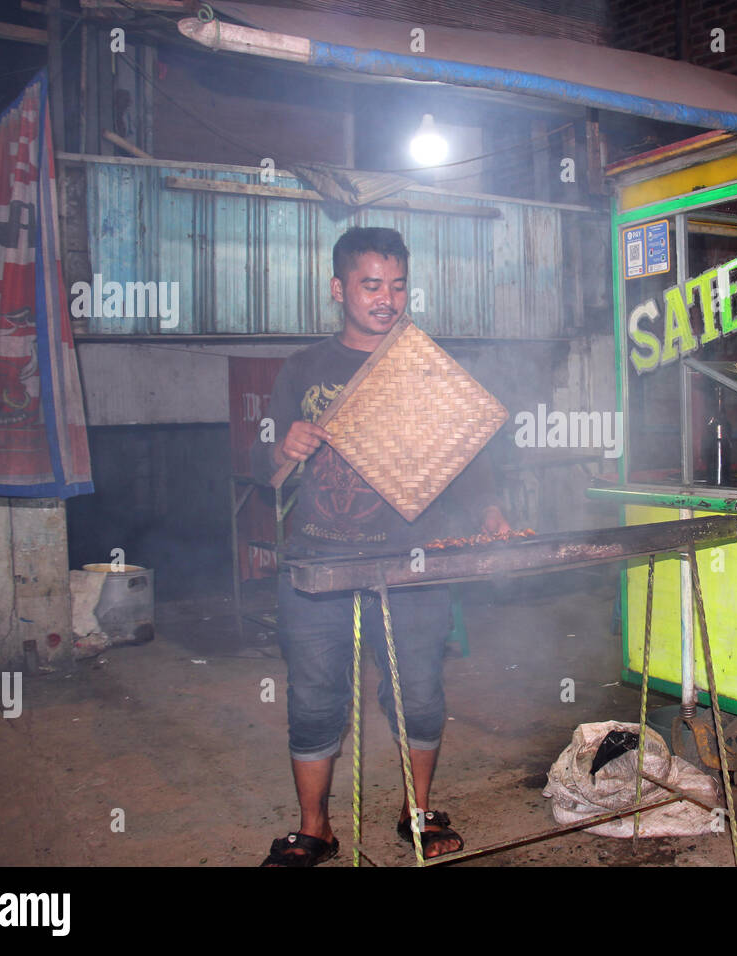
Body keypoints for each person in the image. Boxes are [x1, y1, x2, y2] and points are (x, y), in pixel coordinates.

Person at [251, 226, 509, 865]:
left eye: (397, 285)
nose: (386, 299)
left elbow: (467, 457)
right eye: (371, 285)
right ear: (339, 289)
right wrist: (284, 450)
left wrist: (493, 508)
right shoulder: (302, 368)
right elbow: (266, 475)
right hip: (317, 558)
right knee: (314, 695)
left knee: (419, 689)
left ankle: (417, 811)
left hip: (411, 559)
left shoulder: (421, 365)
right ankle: (315, 828)